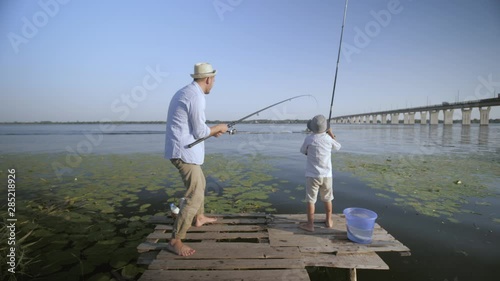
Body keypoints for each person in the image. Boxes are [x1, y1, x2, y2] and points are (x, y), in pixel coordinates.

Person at [164, 62, 228, 256]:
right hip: (183, 152)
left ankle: (199, 217)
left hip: (184, 150)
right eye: (214, 80)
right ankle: (175, 240)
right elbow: (201, 131)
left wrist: (212, 131)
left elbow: (196, 128)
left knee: (201, 183)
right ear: (208, 79)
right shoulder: (196, 97)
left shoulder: (188, 92)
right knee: (195, 194)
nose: (214, 83)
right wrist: (218, 128)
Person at [299, 114, 341, 232]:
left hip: (312, 176)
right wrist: (331, 133)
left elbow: (302, 151)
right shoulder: (328, 139)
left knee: (311, 200)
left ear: (312, 128)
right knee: (328, 199)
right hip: (327, 176)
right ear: (325, 128)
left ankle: (310, 225)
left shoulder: (309, 138)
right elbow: (338, 147)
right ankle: (328, 221)